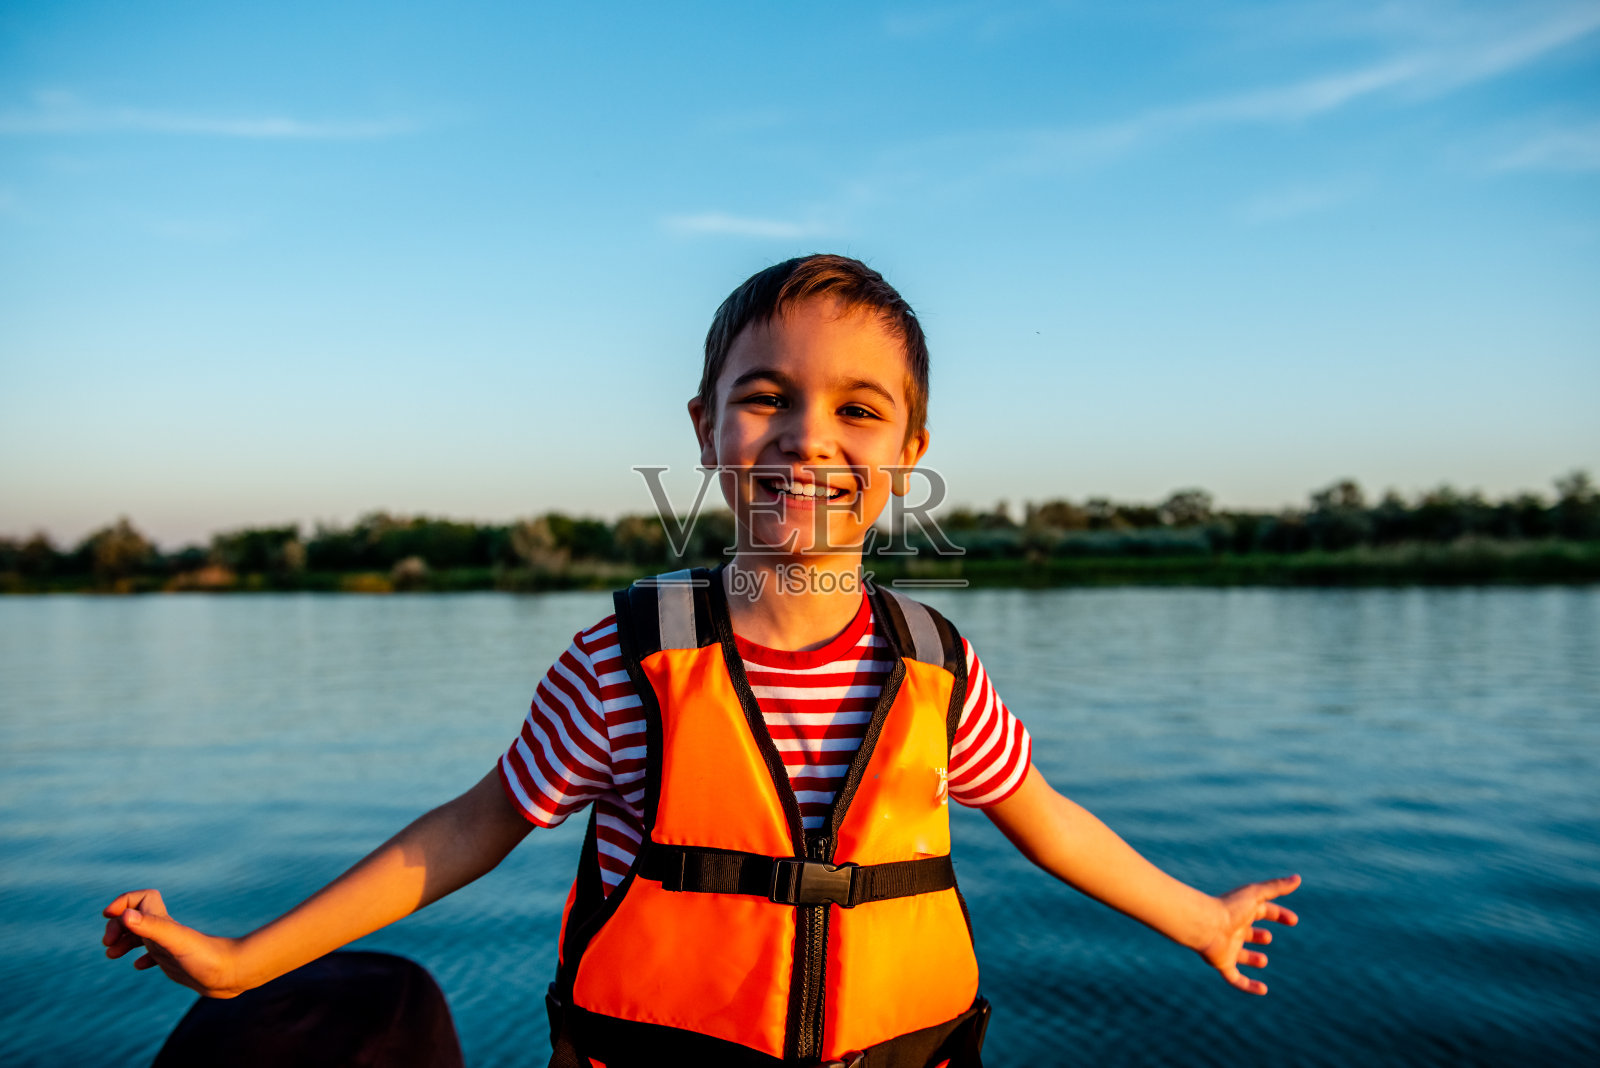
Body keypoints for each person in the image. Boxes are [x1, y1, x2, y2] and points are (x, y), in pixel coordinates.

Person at [103, 255, 1300, 1067]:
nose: (807, 440)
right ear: (704, 428)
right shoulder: (620, 666)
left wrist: (1196, 918)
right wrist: (244, 959)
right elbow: (465, 832)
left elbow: (1048, 819)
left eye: (858, 410)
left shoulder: (937, 665)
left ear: (912, 447)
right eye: (765, 397)